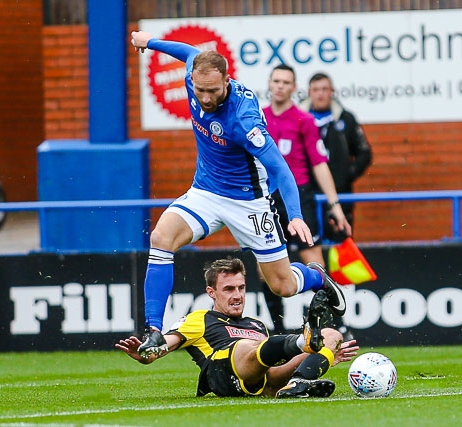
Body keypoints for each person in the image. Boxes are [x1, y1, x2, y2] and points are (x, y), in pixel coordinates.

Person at [129, 31, 347, 356]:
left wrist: (296, 216)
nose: (205, 97)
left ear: (227, 80)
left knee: (283, 285)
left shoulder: (244, 120)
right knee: (161, 236)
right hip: (205, 191)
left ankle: (316, 278)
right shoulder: (197, 76)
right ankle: (155, 331)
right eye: (200, 90)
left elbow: (280, 169)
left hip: (248, 202)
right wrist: (151, 41)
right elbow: (189, 51)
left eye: (213, 91)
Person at [116, 258, 360, 398]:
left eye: (241, 288)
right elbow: (163, 344)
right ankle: (302, 341)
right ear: (211, 293)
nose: (237, 295)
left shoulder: (256, 325)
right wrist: (147, 354)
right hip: (221, 370)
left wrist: (317, 358)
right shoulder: (199, 319)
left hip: (253, 375)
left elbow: (268, 379)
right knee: (247, 346)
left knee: (332, 335)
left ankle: (299, 382)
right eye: (229, 289)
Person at [260, 64, 351, 334]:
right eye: (276, 81)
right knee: (264, 265)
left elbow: (320, 165)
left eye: (286, 82)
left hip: (299, 197)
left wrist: (335, 206)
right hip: (264, 198)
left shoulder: (304, 120)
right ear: (269, 84)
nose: (280, 86)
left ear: (293, 87)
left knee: (314, 260)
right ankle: (277, 330)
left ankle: (335, 325)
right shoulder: (257, 117)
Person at [298, 72, 372, 241]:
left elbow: (364, 153)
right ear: (309, 92)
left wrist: (345, 175)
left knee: (341, 243)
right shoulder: (298, 119)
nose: (320, 93)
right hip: (306, 194)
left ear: (332, 91)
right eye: (316, 89)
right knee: (309, 244)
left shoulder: (346, 119)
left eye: (324, 89)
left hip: (340, 195)